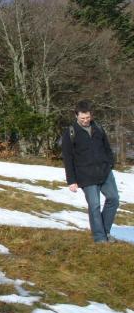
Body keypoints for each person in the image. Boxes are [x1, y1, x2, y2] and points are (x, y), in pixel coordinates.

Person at [61, 100, 119, 243]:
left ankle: (105, 231)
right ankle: (100, 238)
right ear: (76, 116)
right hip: (85, 175)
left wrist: (110, 163)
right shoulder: (70, 133)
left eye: (88, 117)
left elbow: (107, 147)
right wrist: (71, 180)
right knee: (94, 205)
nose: (86, 120)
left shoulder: (98, 127)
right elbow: (67, 158)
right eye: (83, 118)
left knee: (114, 199)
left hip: (104, 172)